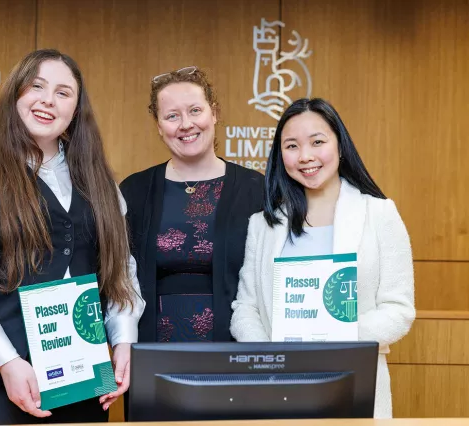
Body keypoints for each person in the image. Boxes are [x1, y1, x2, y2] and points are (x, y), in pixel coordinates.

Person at [0, 49, 144, 425]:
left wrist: (124, 339)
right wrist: (5, 360)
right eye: (36, 86)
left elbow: (119, 268)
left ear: (76, 109)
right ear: (15, 95)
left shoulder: (98, 179)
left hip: (78, 378)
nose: (47, 100)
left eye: (63, 92)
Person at [230, 98, 415, 418]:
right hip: (279, 387)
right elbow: (245, 310)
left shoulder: (379, 214)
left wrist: (333, 339)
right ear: (280, 155)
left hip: (352, 381)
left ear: (340, 146)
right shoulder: (262, 225)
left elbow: (398, 309)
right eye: (292, 146)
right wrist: (272, 360)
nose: (306, 156)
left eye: (318, 142)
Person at [120, 66, 264, 344]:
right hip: (153, 352)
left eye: (195, 111)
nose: (186, 124)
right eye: (172, 116)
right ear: (160, 127)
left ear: (214, 113)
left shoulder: (256, 189)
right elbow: (119, 281)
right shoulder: (134, 191)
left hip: (235, 351)